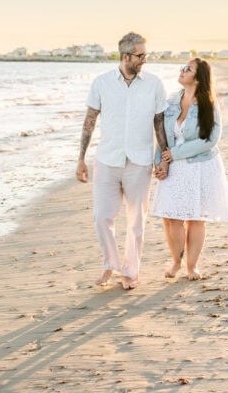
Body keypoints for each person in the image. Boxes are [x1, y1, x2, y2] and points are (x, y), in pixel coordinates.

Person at [76, 32, 169, 290]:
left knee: (136, 221)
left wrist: (163, 157)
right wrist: (80, 159)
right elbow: (89, 122)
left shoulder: (154, 84)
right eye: (140, 56)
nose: (144, 60)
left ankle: (131, 271)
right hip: (107, 159)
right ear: (125, 56)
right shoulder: (101, 83)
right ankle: (111, 264)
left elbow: (159, 123)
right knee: (101, 217)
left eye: (145, 55)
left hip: (139, 161)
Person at [151, 58, 228, 280]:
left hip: (200, 166)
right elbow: (162, 135)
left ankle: (192, 267)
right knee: (170, 216)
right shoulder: (171, 101)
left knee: (195, 217)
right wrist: (159, 162)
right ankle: (176, 262)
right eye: (183, 67)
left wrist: (175, 154)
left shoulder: (209, 104)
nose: (182, 71)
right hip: (173, 166)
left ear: (198, 78)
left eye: (187, 69)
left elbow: (211, 139)